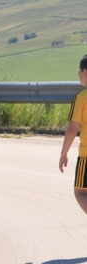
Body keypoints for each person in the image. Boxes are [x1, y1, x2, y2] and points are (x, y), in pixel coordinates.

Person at [59, 54, 87, 215]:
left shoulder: (81, 98)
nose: (78, 73)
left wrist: (64, 153)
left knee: (80, 192)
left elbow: (72, 129)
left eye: (79, 70)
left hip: (86, 156)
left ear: (86, 72)